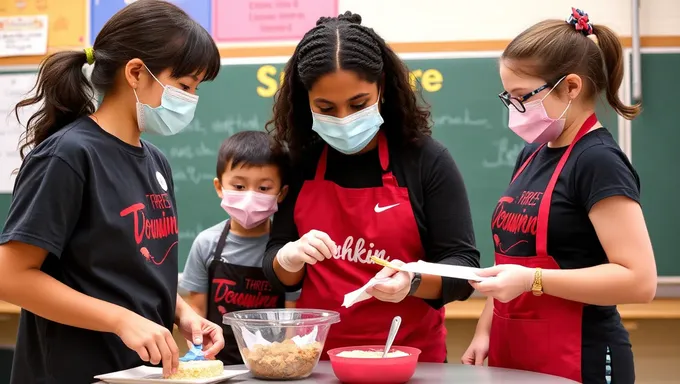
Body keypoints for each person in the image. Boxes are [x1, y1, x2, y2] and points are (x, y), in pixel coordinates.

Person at [0, 1, 225, 383]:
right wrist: (120, 320)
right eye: (184, 86)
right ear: (136, 72)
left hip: (138, 374)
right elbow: (10, 276)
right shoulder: (69, 155)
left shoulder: (155, 161)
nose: (190, 99)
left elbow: (138, 267)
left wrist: (183, 313)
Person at [262, 11, 481, 363]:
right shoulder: (300, 164)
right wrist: (288, 256)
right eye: (326, 107)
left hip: (411, 363)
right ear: (306, 102)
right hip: (317, 362)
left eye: (359, 104)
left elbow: (464, 268)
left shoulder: (426, 160)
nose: (344, 119)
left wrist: (410, 281)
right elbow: (279, 272)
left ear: (382, 88)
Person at [462, 8, 657, 384]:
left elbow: (639, 280)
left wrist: (533, 280)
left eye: (523, 96)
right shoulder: (533, 153)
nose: (515, 109)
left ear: (571, 87)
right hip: (515, 350)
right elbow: (515, 257)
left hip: (581, 358)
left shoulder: (598, 161)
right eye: (508, 97)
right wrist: (485, 328)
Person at [179, 130, 300, 365]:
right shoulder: (206, 244)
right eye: (238, 186)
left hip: (273, 367)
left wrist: (288, 362)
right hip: (220, 365)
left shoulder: (287, 252)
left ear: (282, 193)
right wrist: (200, 355)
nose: (249, 196)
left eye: (263, 188)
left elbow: (291, 317)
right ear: (219, 187)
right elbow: (196, 309)